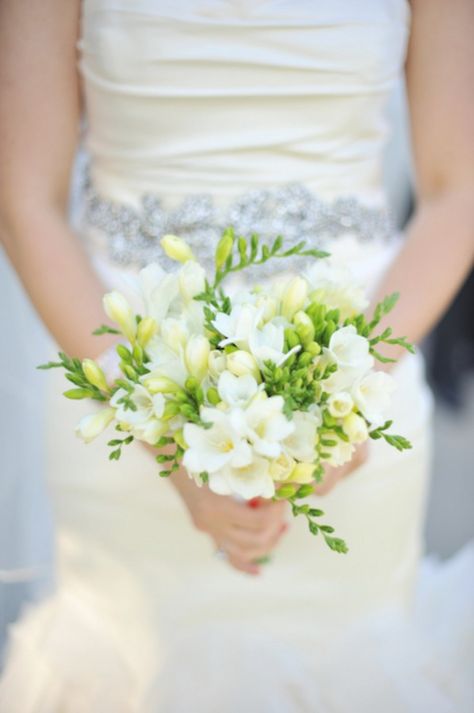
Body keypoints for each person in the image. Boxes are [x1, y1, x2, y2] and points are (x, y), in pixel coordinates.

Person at [0, 1, 473, 711]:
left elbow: (458, 190)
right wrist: (158, 422)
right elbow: (24, 201)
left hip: (359, 383)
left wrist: (346, 400)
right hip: (122, 384)